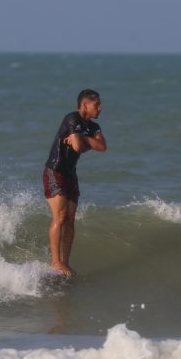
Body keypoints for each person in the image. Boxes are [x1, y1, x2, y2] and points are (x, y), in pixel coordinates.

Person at [43, 89, 107, 276]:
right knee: (61, 217)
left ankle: (65, 263)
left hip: (71, 175)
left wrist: (83, 138)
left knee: (70, 220)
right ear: (85, 105)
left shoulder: (94, 127)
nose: (100, 108)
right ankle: (55, 262)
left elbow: (102, 147)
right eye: (97, 105)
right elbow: (79, 148)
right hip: (55, 171)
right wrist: (87, 143)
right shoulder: (72, 118)